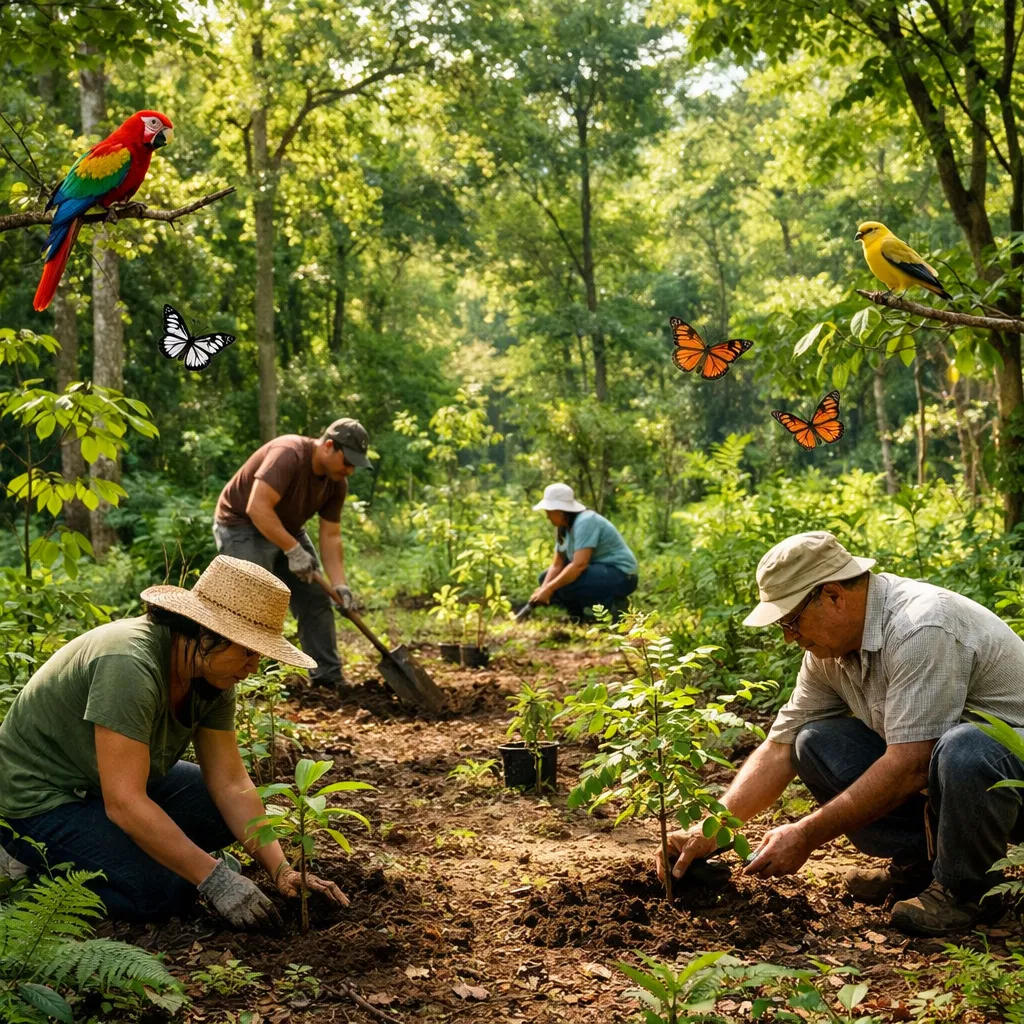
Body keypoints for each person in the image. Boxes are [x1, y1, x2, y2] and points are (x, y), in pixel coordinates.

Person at [656, 531, 1024, 937]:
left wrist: (806, 834)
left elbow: (910, 766)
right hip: (958, 788)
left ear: (833, 596)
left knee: (965, 746)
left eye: (792, 621)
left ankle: (965, 891)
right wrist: (712, 828)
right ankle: (921, 866)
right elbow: (779, 749)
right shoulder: (829, 654)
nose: (788, 637)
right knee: (813, 741)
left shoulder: (921, 626)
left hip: (1008, 778)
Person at [0, 556, 348, 927]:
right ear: (206, 633)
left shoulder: (212, 675)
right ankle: (29, 868)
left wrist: (282, 871)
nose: (254, 666)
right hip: (37, 799)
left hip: (102, 785)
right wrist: (213, 878)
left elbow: (230, 782)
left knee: (221, 815)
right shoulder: (129, 662)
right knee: (166, 893)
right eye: (248, 650)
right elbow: (125, 802)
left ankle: (120, 851)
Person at [213, 418, 371, 689]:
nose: (350, 471)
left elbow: (331, 536)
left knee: (316, 599)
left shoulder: (336, 483)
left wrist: (340, 585)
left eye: (355, 465)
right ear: (329, 446)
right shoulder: (289, 454)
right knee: (253, 600)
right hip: (241, 523)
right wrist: (292, 549)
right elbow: (257, 508)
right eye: (347, 462)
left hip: (287, 527)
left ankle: (328, 678)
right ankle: (238, 680)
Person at [529, 482, 638, 620]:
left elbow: (579, 565)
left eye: (549, 512)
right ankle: (577, 615)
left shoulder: (586, 521)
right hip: (598, 572)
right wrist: (543, 589)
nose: (547, 516)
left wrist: (549, 589)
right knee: (544, 579)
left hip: (621, 575)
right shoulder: (565, 527)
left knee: (568, 582)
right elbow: (557, 564)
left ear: (560, 511)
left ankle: (612, 608)